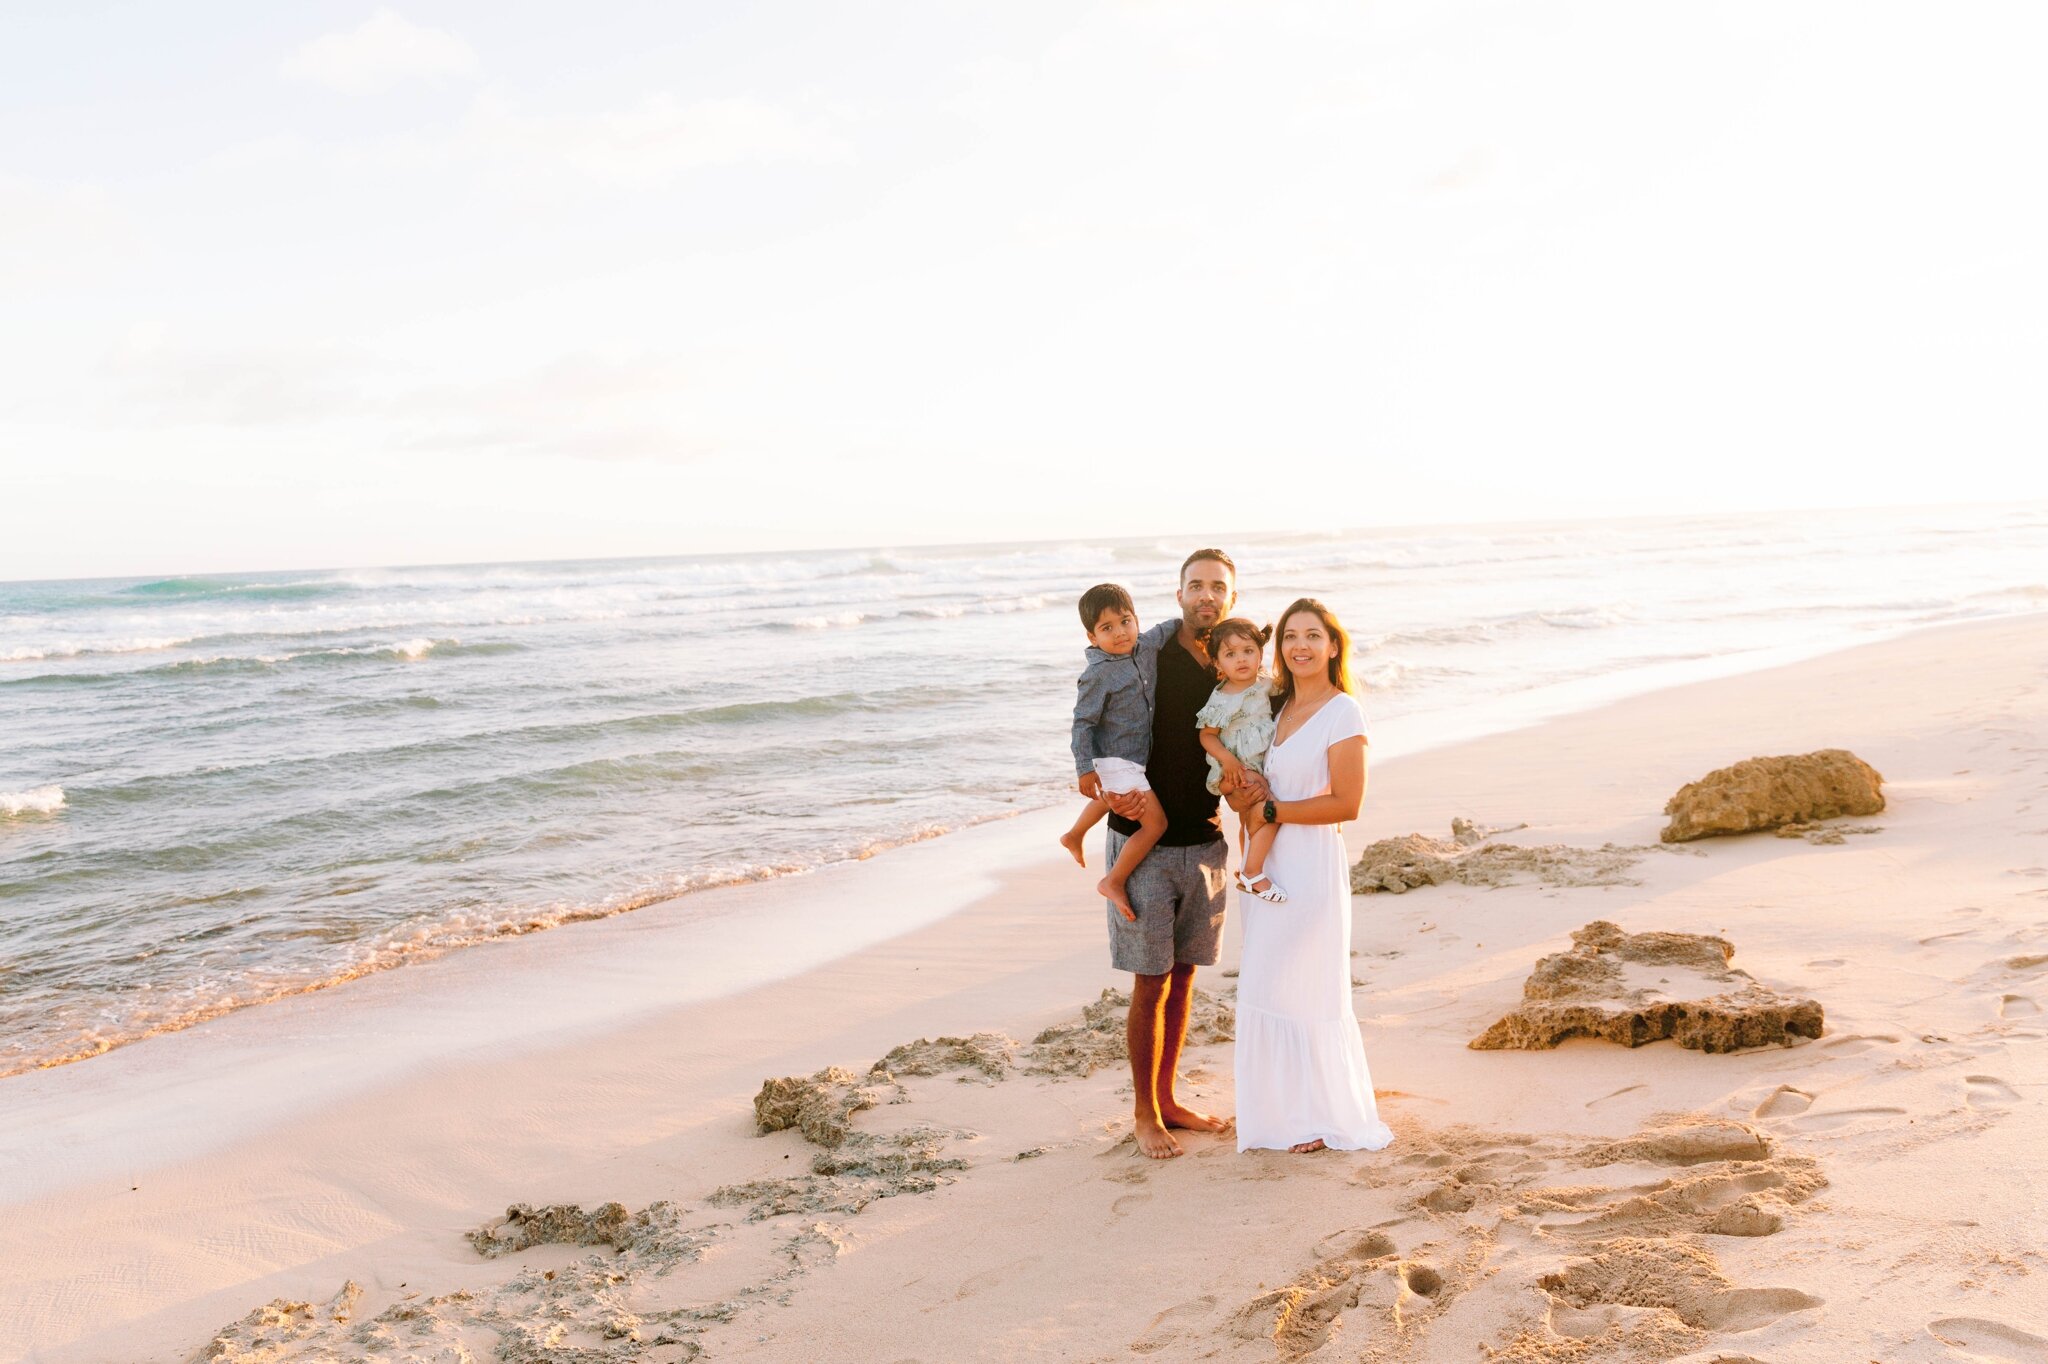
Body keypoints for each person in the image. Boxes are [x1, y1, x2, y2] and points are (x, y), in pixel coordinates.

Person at [1229, 598, 1394, 1156]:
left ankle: (1320, 1117)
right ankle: (1280, 1114)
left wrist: (1273, 813)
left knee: (1302, 985)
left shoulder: (1343, 711)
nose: (1300, 645)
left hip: (1309, 866)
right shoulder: (1272, 709)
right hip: (1265, 863)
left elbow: (1348, 802)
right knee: (1265, 984)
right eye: (1291, 636)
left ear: (1332, 646)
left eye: (1312, 636)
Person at [1094, 550, 1239, 1159]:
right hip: (1143, 846)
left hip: (1205, 845)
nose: (1206, 596)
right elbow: (1097, 688)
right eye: (1196, 585)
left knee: (1182, 981)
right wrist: (1097, 779)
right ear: (1178, 593)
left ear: (1232, 597)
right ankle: (1144, 1114)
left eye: (1217, 588)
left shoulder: (1238, 659)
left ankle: (1170, 1100)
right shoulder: (1150, 650)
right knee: (1149, 984)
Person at [1063, 583, 1170, 919]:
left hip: (1132, 759)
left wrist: (1188, 621)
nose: (1120, 633)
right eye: (1107, 628)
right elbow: (1083, 723)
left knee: (1106, 799)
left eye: (1125, 621)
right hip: (1115, 759)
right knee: (1155, 825)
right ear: (1092, 637)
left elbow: (1168, 627)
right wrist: (1084, 768)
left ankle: (1074, 834)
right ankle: (1114, 880)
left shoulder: (1145, 646)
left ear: (1136, 619)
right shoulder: (1098, 674)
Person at [1195, 617, 1284, 903]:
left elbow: (1293, 692)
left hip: (1257, 763)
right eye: (1230, 654)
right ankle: (1253, 872)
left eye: (1248, 650)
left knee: (1249, 822)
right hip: (1236, 768)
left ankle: (1247, 865)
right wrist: (1229, 761)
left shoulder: (1265, 683)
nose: (1241, 659)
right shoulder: (1220, 698)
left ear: (1260, 653)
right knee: (1269, 814)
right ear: (1218, 663)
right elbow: (1207, 736)